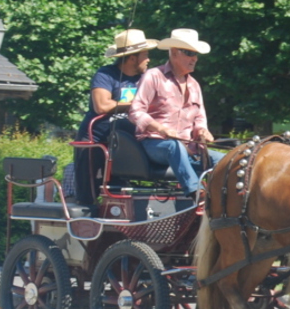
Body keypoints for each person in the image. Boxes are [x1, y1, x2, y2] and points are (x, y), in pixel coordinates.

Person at [129, 28, 223, 196]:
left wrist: (202, 131)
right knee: (174, 146)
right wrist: (161, 128)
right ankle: (196, 193)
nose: (194, 58)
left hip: (189, 148)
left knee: (225, 160)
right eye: (189, 53)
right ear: (173, 52)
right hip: (154, 144)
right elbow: (135, 111)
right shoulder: (153, 76)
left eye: (195, 54)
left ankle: (225, 200)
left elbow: (200, 119)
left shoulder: (194, 85)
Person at [73, 29, 157, 206]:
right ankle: (86, 216)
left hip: (126, 142)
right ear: (132, 58)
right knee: (87, 191)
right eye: (145, 55)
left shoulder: (146, 78)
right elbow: (101, 106)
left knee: (119, 188)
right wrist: (135, 105)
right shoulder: (105, 74)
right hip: (96, 140)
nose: (149, 59)